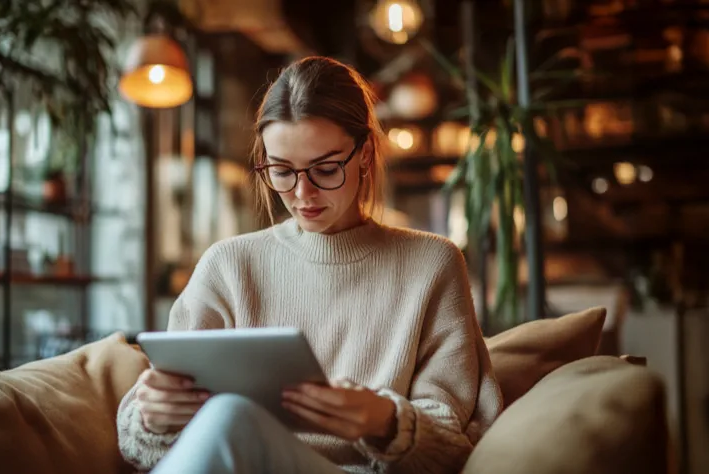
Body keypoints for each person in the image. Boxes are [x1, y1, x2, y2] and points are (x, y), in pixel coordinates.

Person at [116, 56, 503, 474]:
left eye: (325, 168)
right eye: (281, 171)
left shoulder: (433, 263)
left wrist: (385, 422)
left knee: (232, 419)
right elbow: (142, 445)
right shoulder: (229, 265)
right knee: (228, 421)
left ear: (365, 154)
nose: (303, 193)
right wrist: (153, 418)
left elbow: (457, 446)